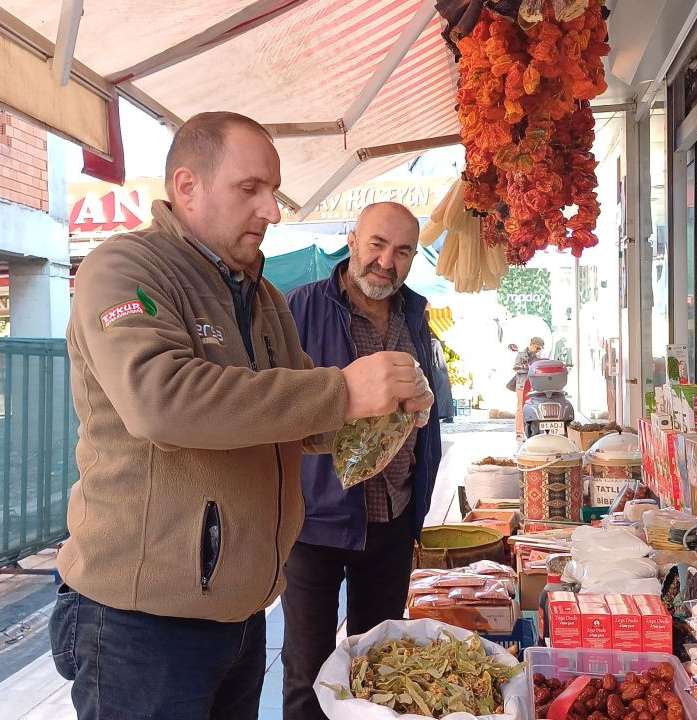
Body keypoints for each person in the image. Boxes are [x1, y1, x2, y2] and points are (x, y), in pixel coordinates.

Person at [52, 112, 433, 720]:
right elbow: (162, 400)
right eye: (250, 189)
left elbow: (306, 422)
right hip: (141, 624)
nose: (272, 211)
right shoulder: (124, 269)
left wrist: (389, 411)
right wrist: (341, 391)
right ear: (187, 186)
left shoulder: (260, 297)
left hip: (242, 610)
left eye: (274, 193)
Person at [282, 203, 444, 720]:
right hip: (314, 525)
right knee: (308, 672)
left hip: (392, 520)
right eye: (376, 244)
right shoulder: (298, 310)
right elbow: (274, 403)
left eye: (401, 251)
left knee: (378, 669)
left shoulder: (414, 315)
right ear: (352, 242)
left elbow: (426, 405)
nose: (386, 262)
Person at [512, 337, 544, 438]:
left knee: (534, 407)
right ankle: (519, 432)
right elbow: (516, 368)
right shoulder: (521, 355)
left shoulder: (537, 357)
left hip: (533, 385)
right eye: (537, 348)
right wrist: (528, 367)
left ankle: (533, 430)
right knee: (521, 408)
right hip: (522, 385)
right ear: (533, 344)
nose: (538, 350)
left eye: (540, 349)